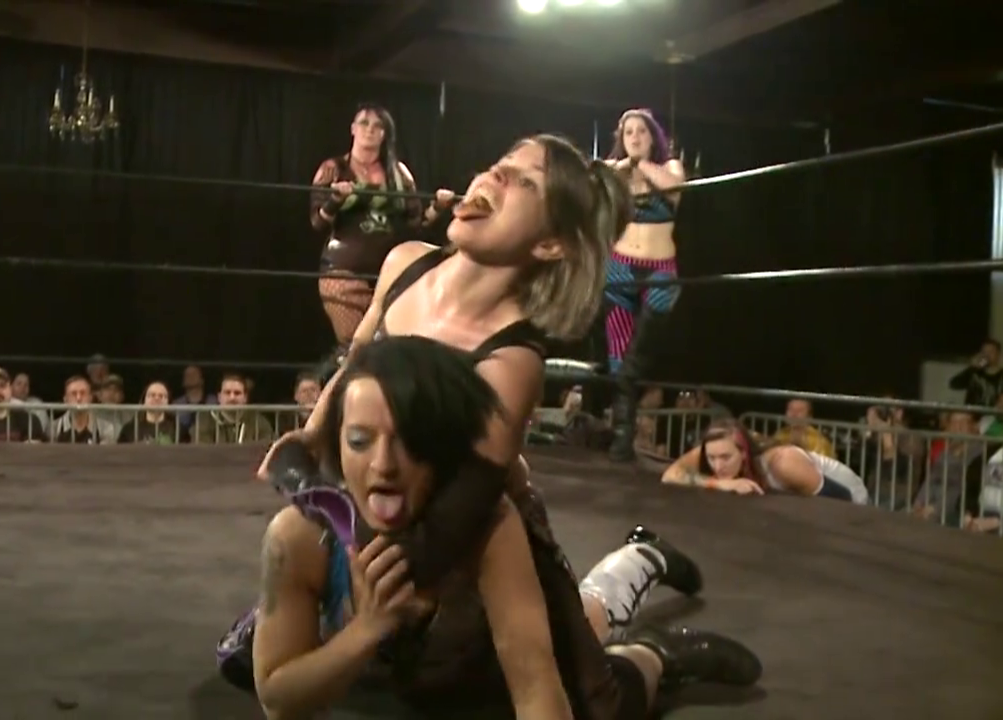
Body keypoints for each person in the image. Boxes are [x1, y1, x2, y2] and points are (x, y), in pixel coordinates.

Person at [220, 336, 760, 719]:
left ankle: (655, 638)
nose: (382, 466)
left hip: (479, 671)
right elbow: (279, 698)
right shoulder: (302, 537)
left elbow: (535, 687)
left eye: (410, 441)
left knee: (601, 694)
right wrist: (369, 628)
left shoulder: (486, 522)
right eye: (360, 441)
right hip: (393, 671)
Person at [264, 133, 629, 589]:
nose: (498, 173)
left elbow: (449, 528)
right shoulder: (405, 263)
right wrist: (312, 435)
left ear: (550, 243)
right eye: (502, 162)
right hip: (375, 508)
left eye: (526, 181)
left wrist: (364, 552)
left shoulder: (511, 359)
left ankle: (639, 563)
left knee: (588, 628)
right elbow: (356, 363)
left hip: (457, 548)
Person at [310, 103, 454, 354]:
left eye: (378, 126)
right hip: (343, 273)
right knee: (355, 348)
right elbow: (317, 222)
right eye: (364, 123)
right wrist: (335, 200)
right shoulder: (333, 169)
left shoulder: (398, 173)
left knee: (386, 350)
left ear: (385, 133)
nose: (370, 130)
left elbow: (417, 224)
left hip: (389, 276)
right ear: (353, 129)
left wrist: (438, 207)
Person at [601, 109, 687, 462]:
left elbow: (674, 189)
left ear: (653, 137)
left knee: (639, 352)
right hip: (620, 268)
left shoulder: (670, 167)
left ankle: (626, 426)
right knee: (619, 355)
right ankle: (623, 436)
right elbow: (595, 180)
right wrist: (625, 165)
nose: (634, 137)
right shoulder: (616, 172)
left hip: (659, 269)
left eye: (641, 131)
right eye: (628, 132)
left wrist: (640, 164)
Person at [661, 418, 869, 503]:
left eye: (725, 458)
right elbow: (670, 476)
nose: (717, 466)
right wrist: (719, 483)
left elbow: (842, 497)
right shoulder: (718, 445)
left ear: (743, 453)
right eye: (711, 458)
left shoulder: (782, 463)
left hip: (848, 493)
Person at [949, 338, 1003, 408]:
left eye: (991, 352)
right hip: (972, 413)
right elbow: (953, 384)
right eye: (984, 352)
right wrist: (971, 368)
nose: (987, 355)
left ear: (998, 354)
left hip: (994, 413)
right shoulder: (974, 372)